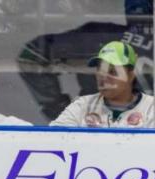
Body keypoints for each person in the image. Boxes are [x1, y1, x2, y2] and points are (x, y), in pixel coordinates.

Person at [18, 0, 153, 122]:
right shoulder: (98, 35)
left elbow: (30, 56)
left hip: (94, 132)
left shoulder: (99, 35)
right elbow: (31, 56)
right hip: (96, 131)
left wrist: (56, 107)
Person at [51, 41, 154, 128]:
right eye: (100, 70)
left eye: (112, 71)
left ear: (131, 75)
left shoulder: (151, 108)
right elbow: (52, 139)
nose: (103, 77)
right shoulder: (83, 105)